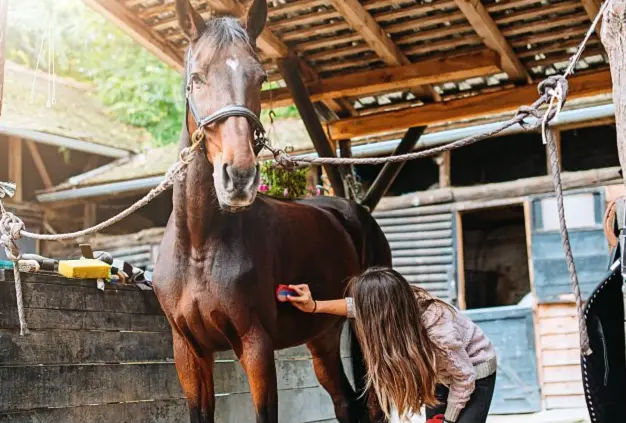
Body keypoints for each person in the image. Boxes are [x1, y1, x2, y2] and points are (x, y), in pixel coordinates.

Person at [286, 267, 497, 423]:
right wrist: (313, 306)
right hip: (440, 372)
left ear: (383, 312)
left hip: (474, 372)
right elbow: (354, 307)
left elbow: (464, 377)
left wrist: (448, 421)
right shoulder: (398, 305)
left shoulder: (438, 332)